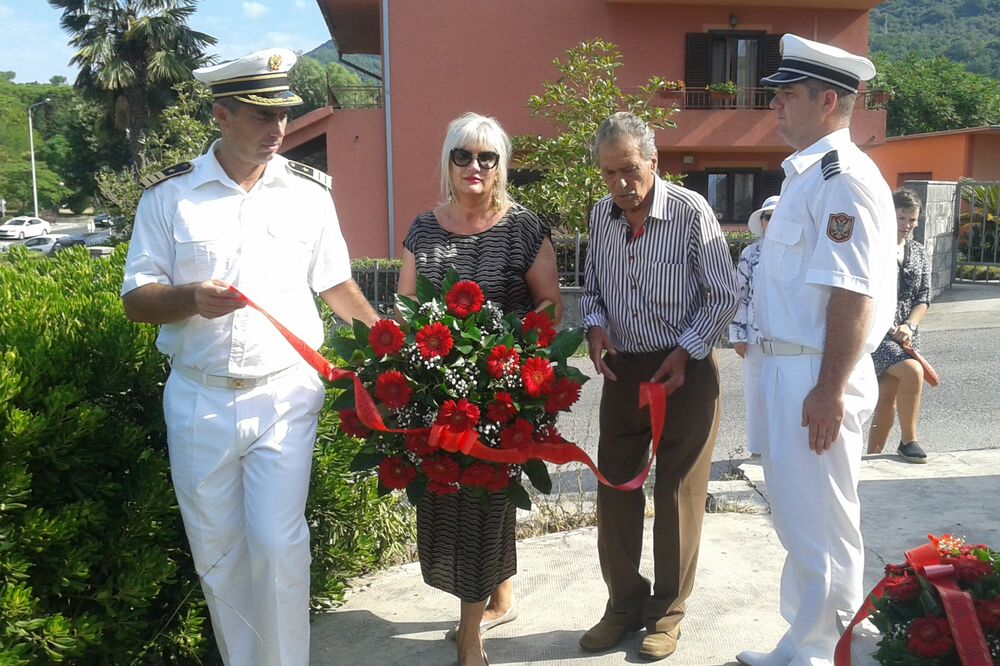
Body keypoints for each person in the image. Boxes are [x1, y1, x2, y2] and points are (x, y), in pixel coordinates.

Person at [120, 48, 379, 666]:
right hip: (199, 398)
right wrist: (188, 298)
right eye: (262, 117)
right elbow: (136, 300)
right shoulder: (169, 199)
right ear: (221, 114)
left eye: (284, 116)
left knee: (278, 545)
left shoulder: (309, 196)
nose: (278, 131)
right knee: (218, 554)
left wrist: (394, 347)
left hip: (284, 394)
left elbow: (337, 287)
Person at [736, 35, 897, 666]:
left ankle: (830, 652)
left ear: (827, 100)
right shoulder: (807, 178)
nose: (776, 105)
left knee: (825, 527)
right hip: (788, 368)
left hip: (814, 373)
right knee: (801, 522)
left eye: (787, 95)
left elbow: (852, 295)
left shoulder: (843, 180)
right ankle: (805, 642)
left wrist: (829, 388)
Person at [396, 111, 561, 666]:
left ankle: (470, 638)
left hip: (502, 394)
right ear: (447, 162)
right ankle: (501, 597)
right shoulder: (423, 228)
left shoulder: (523, 227)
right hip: (439, 389)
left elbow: (549, 307)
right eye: (462, 155)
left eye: (487, 157)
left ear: (501, 167)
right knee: (456, 504)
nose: (474, 166)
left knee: (483, 503)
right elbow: (408, 308)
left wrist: (517, 359)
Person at [579, 111, 738, 661]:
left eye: (628, 169)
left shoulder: (692, 213)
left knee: (676, 493)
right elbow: (592, 288)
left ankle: (667, 611)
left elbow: (724, 292)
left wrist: (687, 350)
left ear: (653, 161)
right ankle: (623, 604)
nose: (620, 184)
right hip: (623, 371)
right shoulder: (601, 216)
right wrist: (594, 327)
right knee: (616, 487)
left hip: (684, 372)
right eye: (608, 173)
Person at [867, 189, 931, 462]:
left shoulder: (918, 251)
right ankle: (909, 440)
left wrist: (910, 326)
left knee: (887, 398)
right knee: (912, 371)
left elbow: (924, 296)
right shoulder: (873, 247)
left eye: (912, 220)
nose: (906, 225)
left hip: (906, 335)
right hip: (875, 332)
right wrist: (889, 326)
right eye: (901, 218)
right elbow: (866, 293)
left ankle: (872, 456)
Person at [730, 195, 779, 457]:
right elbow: (740, 294)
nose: (771, 221)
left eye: (776, 216)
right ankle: (758, 449)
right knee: (756, 392)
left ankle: (782, 448)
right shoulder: (750, 253)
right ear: (761, 221)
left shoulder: (799, 251)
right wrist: (738, 334)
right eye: (767, 216)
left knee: (785, 392)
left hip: (786, 336)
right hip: (755, 335)